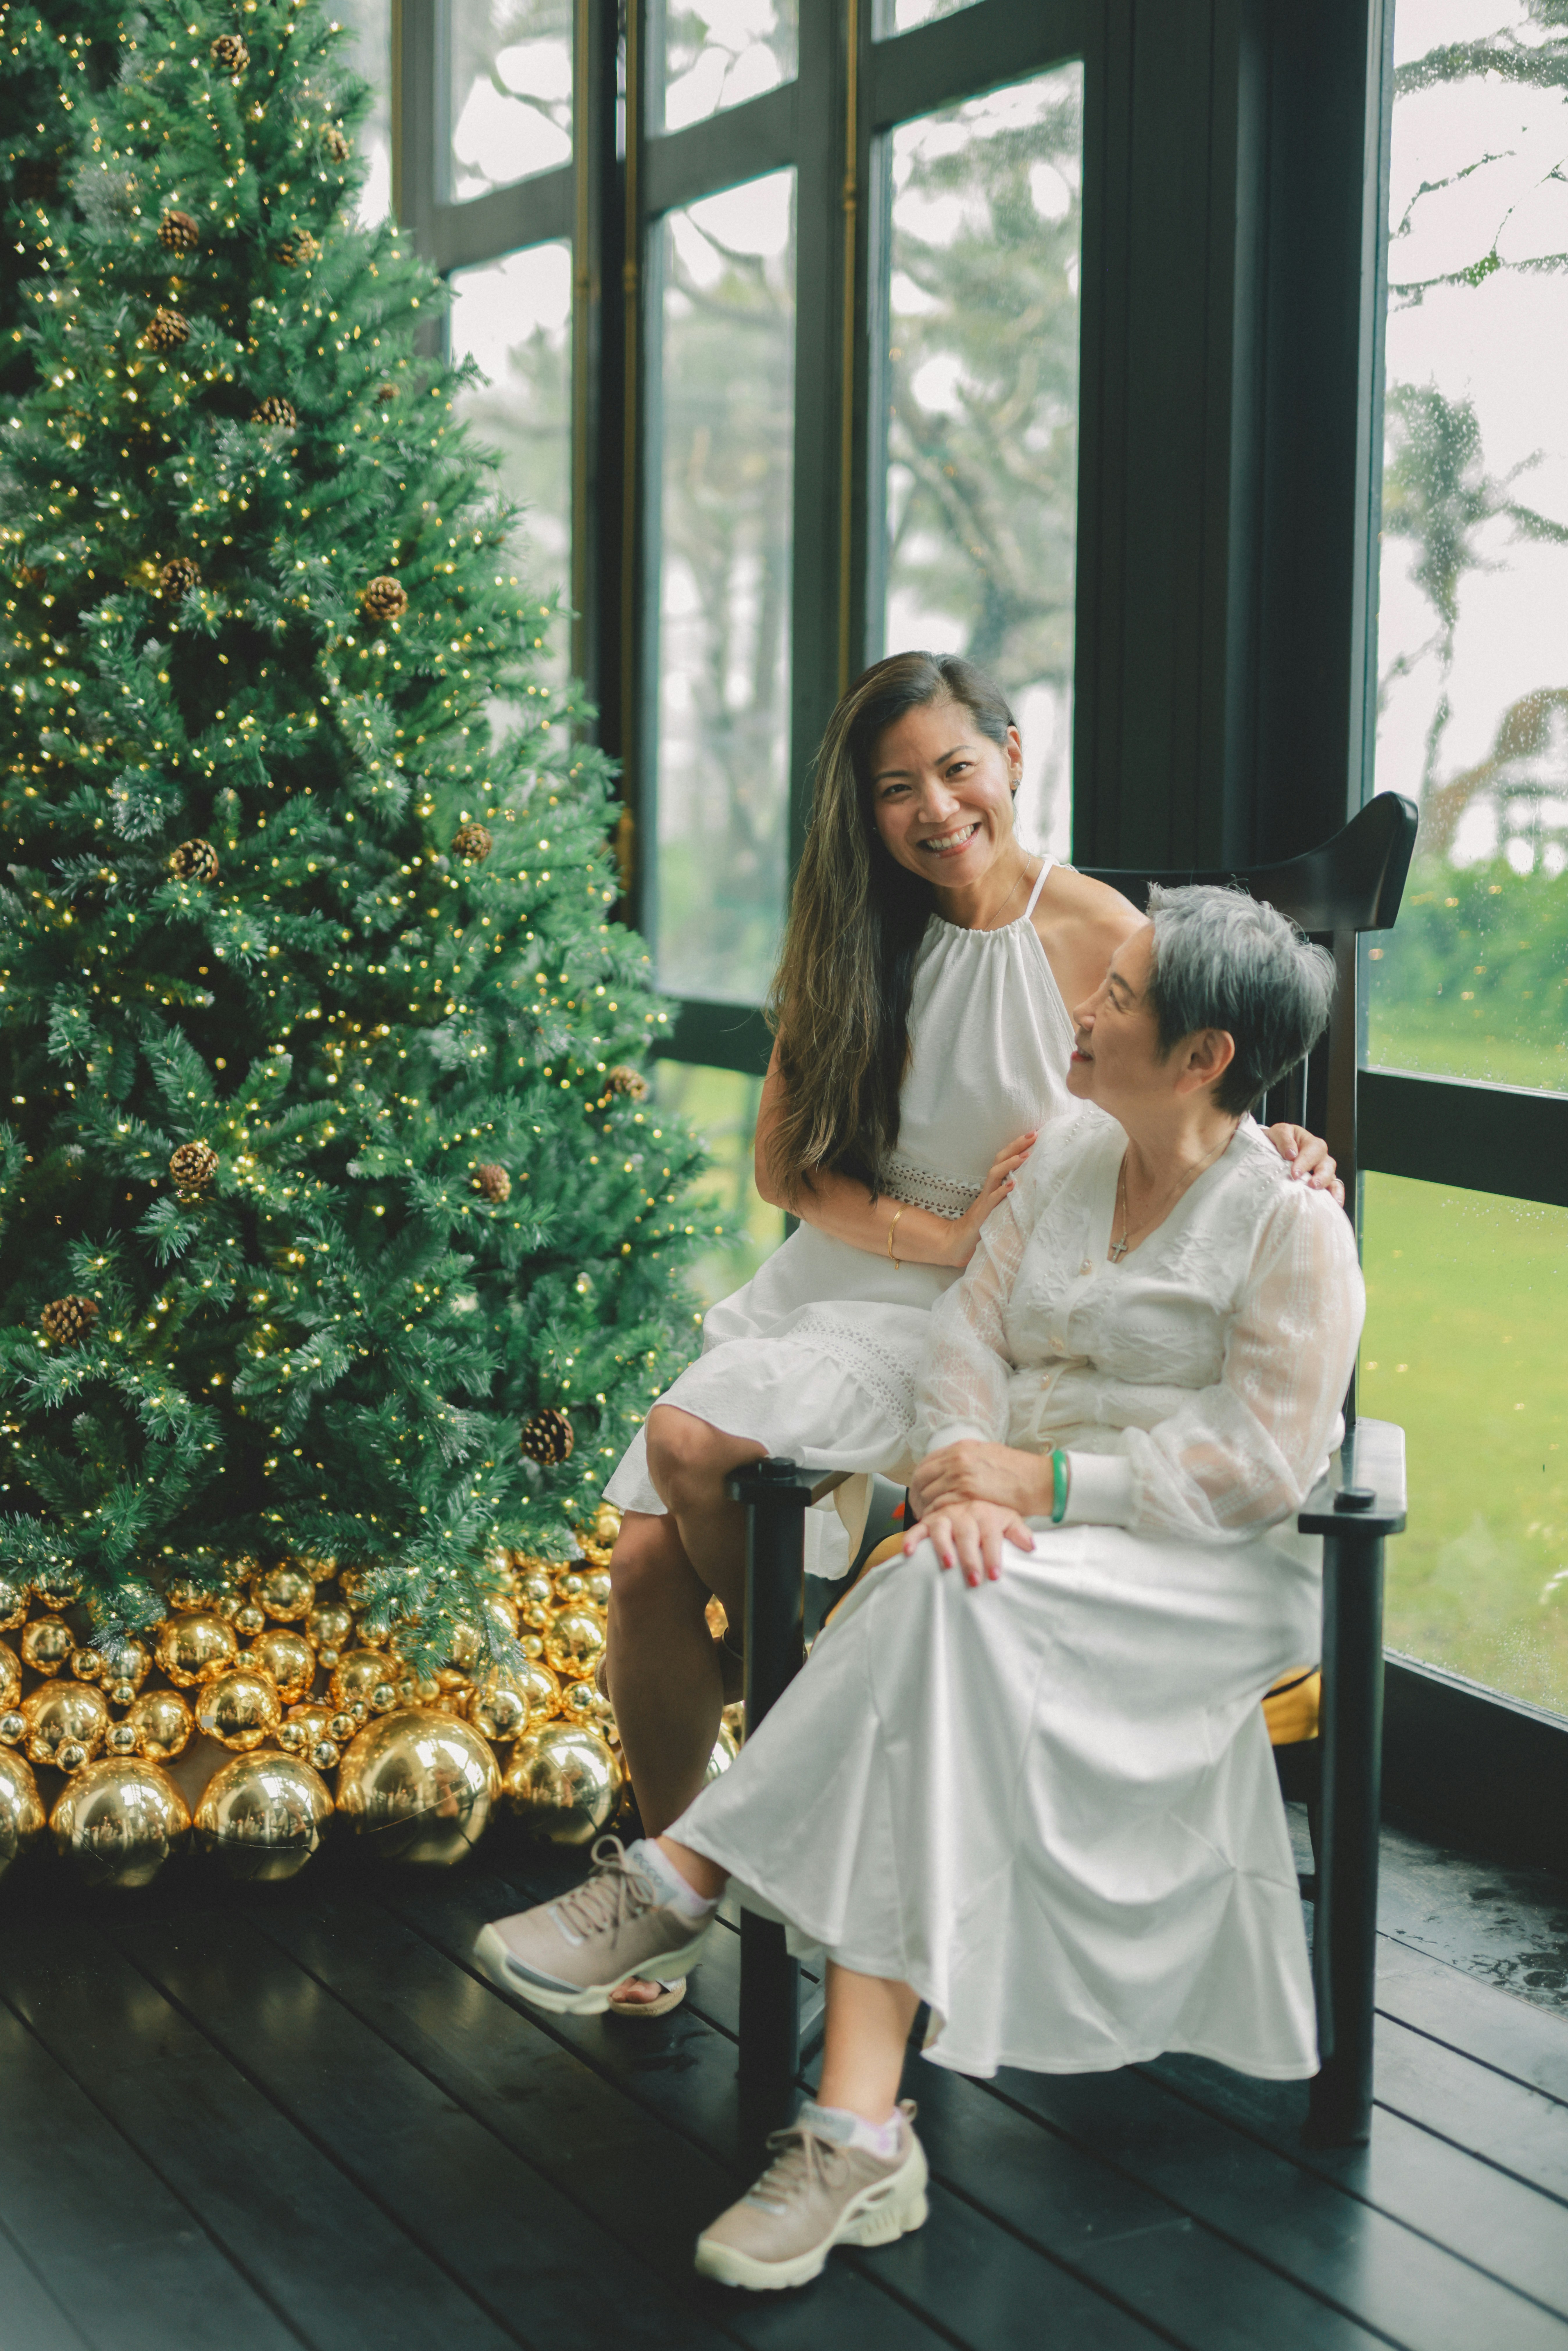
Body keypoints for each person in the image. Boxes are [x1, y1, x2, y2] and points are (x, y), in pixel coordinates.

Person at [475, 882, 1366, 2294]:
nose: (1084, 1009)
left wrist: (1047, 1488)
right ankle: (854, 2124)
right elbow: (964, 1332)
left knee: (931, 1599)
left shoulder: (1288, 1226)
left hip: (1187, 1569)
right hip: (1001, 1540)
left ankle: (688, 1873)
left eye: (1120, 997)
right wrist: (959, 1466)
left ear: (1203, 1057)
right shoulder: (1068, 1160)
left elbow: (1257, 1460)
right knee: (940, 1604)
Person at [576, 652, 1337, 2013]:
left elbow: (1197, 1090)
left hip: (970, 1317)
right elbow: (784, 1170)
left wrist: (1275, 1139)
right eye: (893, 788)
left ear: (1012, 757)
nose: (931, 809)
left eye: (954, 768)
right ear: (861, 808)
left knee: (690, 1446)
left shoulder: (1099, 930)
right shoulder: (849, 929)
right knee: (641, 1561)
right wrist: (932, 1233)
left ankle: (767, 1807)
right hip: (851, 1270)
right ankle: (700, 1869)